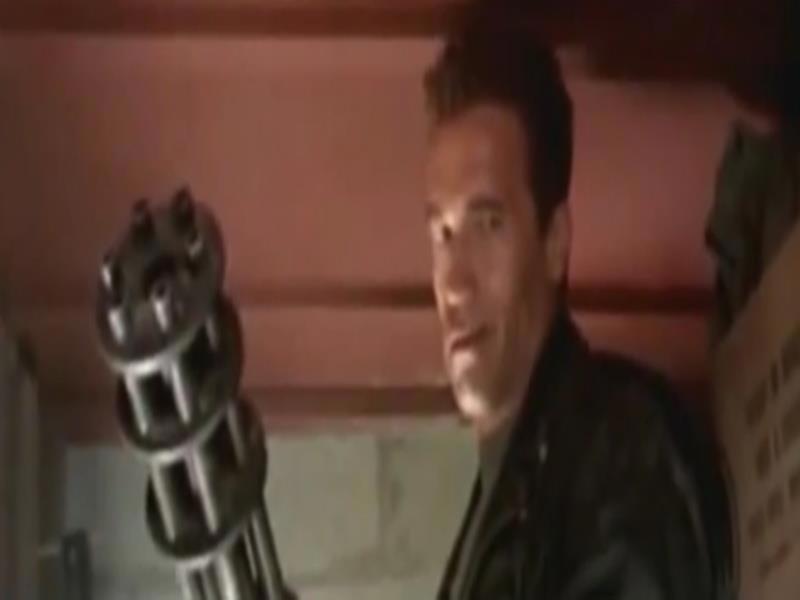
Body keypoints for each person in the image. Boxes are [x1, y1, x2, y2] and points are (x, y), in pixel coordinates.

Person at [421, 13, 733, 600]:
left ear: (555, 242)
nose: (455, 283)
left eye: (488, 226)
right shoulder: (506, 493)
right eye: (443, 234)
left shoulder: (620, 452)